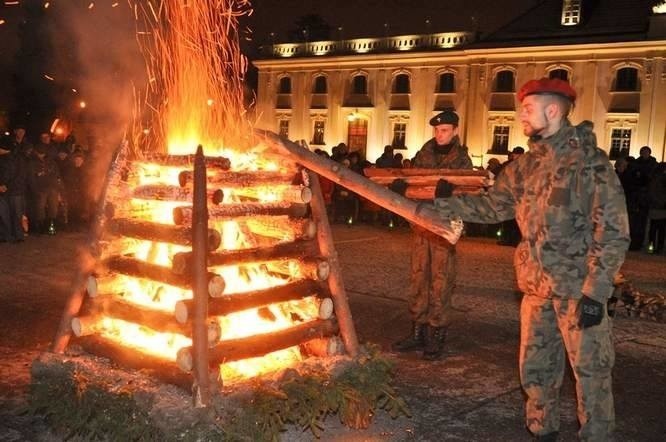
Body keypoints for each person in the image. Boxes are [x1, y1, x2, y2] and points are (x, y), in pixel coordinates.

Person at [423, 78, 629, 440]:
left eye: (528, 108)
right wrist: (438, 201)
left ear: (553, 110)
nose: (521, 114)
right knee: (535, 370)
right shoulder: (525, 165)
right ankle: (541, 430)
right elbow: (492, 206)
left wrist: (596, 291)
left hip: (578, 291)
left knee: (591, 374)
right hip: (535, 288)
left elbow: (613, 230)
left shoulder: (589, 162)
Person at [392, 110, 473, 360]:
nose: (440, 134)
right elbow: (416, 182)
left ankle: (436, 333)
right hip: (420, 226)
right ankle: (417, 331)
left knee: (441, 280)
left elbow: (469, 195)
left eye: (445, 130)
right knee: (418, 278)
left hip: (444, 229)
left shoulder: (461, 160)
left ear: (455, 130)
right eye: (437, 130)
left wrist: (451, 195)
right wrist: (402, 190)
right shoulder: (424, 154)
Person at [647, 162, 666, 254]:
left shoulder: (654, 178)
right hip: (661, 207)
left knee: (654, 228)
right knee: (660, 229)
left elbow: (651, 192)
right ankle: (659, 247)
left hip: (656, 206)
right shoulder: (660, 179)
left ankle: (652, 246)